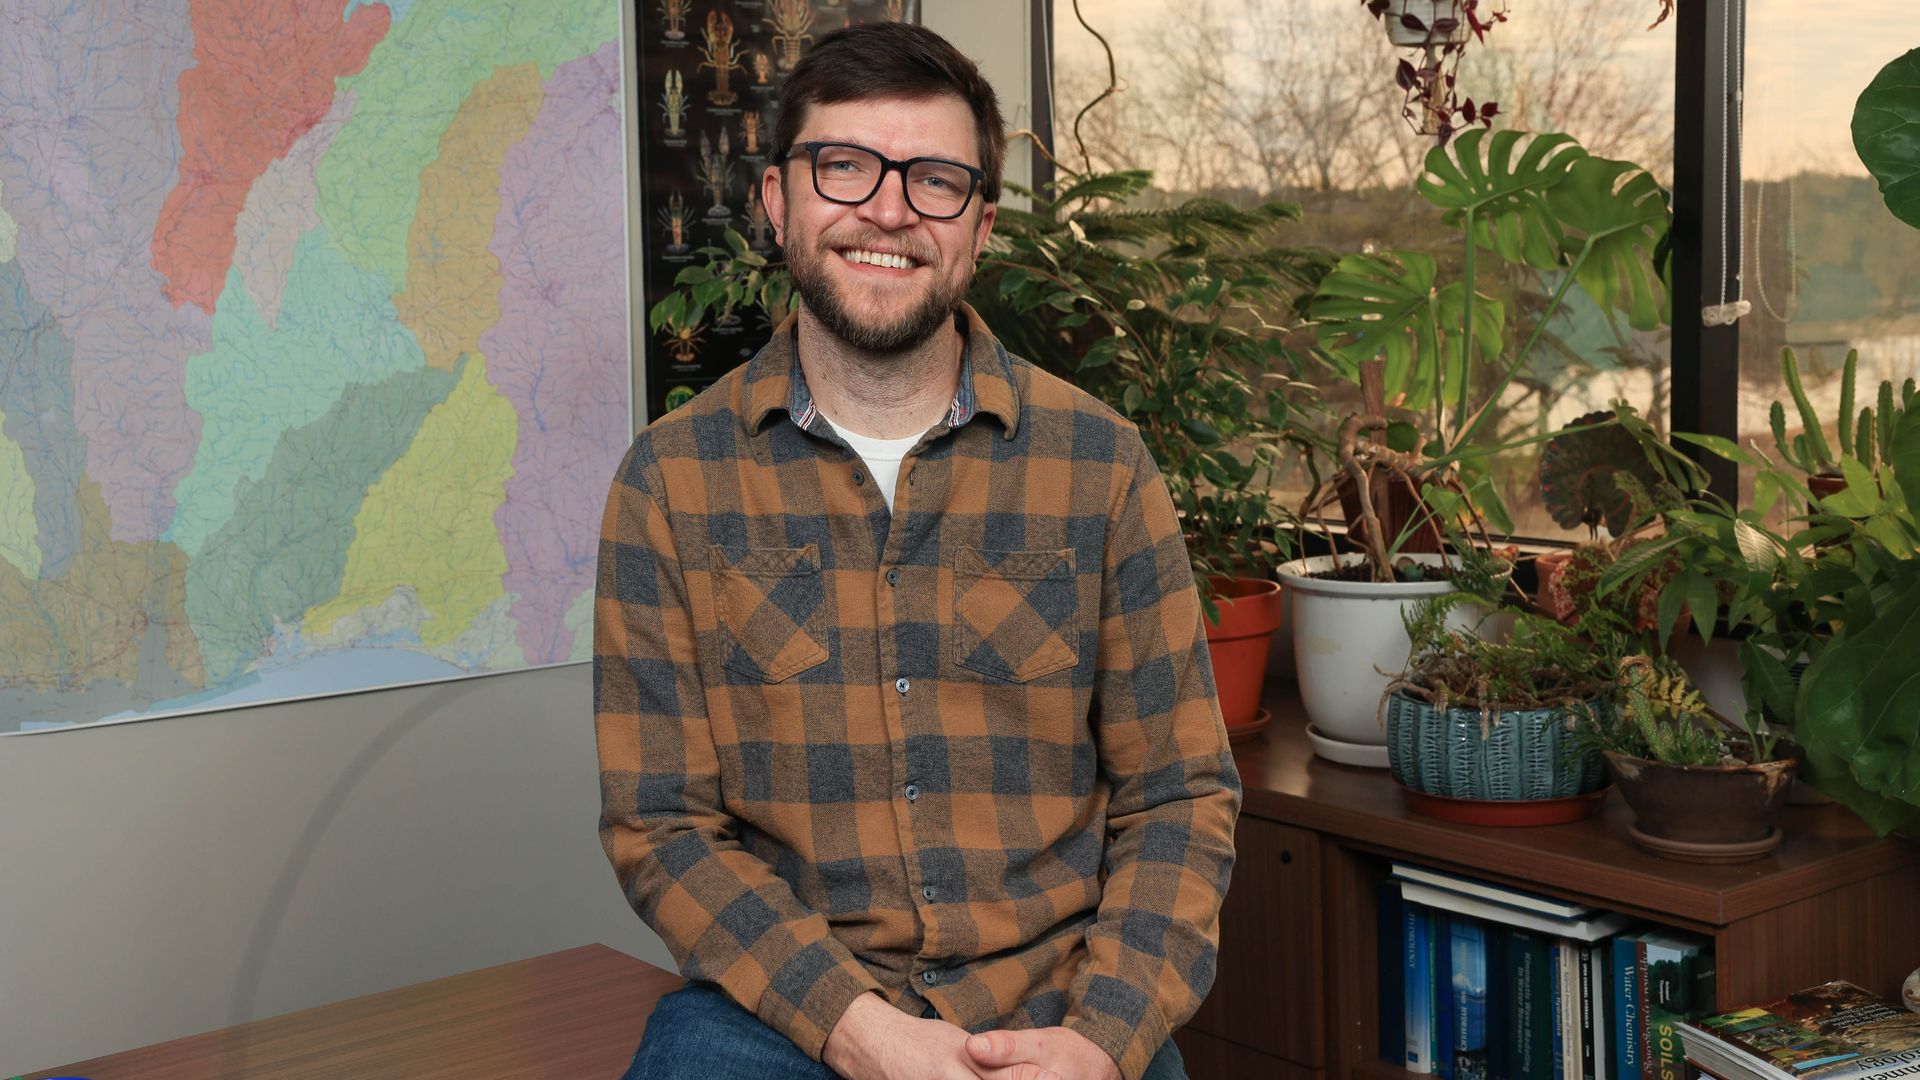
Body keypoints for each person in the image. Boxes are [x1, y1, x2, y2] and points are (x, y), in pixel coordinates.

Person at [594, 21, 1240, 1080]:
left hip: (1062, 1015)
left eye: (934, 180)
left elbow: (1178, 797)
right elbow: (660, 826)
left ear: (981, 226)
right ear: (777, 201)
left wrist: (1102, 1041)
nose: (887, 210)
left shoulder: (1103, 468)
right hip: (781, 1019)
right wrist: (861, 1031)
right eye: (843, 166)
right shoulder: (670, 483)